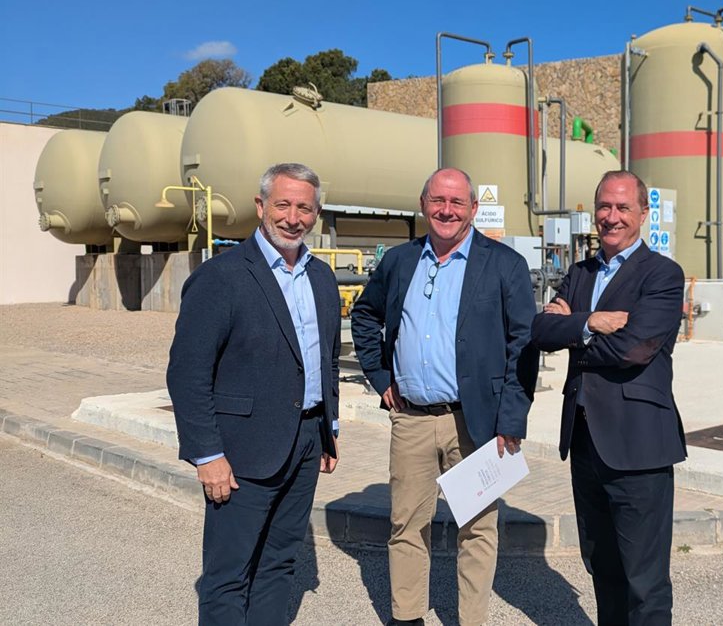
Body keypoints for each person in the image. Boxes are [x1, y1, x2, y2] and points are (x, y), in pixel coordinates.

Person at [350, 167, 538, 626]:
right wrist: (381, 375)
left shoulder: (504, 264)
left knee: (477, 528)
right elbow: (365, 315)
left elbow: (524, 345)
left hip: (475, 422)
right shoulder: (400, 261)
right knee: (406, 525)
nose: (447, 210)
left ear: (473, 208)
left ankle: (470, 620)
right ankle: (408, 617)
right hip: (411, 419)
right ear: (423, 205)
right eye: (438, 200)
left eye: (457, 202)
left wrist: (511, 419)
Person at [167, 162, 342, 625]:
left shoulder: (321, 277)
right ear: (261, 205)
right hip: (242, 452)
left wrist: (329, 429)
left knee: (279, 563)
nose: (293, 218)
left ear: (316, 213)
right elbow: (187, 373)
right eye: (283, 205)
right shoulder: (222, 277)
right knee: (228, 575)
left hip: (305, 443)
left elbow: (325, 360)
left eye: (304, 208)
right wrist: (207, 455)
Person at [531, 170, 686, 626]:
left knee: (645, 582)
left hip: (638, 445)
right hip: (585, 443)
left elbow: (635, 348)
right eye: (604, 206)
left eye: (622, 207)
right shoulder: (581, 273)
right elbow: (540, 331)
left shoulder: (662, 274)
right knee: (602, 567)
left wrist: (571, 328)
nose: (612, 217)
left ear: (643, 213)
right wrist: (590, 322)